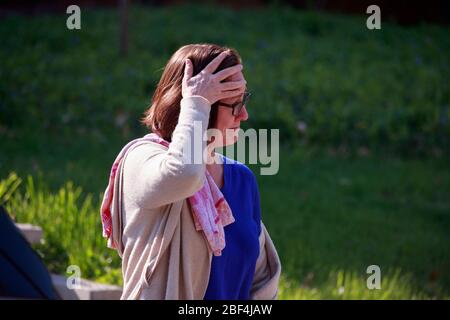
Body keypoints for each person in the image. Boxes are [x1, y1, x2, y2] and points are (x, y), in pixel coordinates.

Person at [100, 43, 281, 300]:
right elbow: (185, 174)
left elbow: (262, 278)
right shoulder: (141, 160)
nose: (245, 115)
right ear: (198, 109)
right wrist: (197, 100)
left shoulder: (241, 179)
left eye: (245, 100)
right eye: (235, 105)